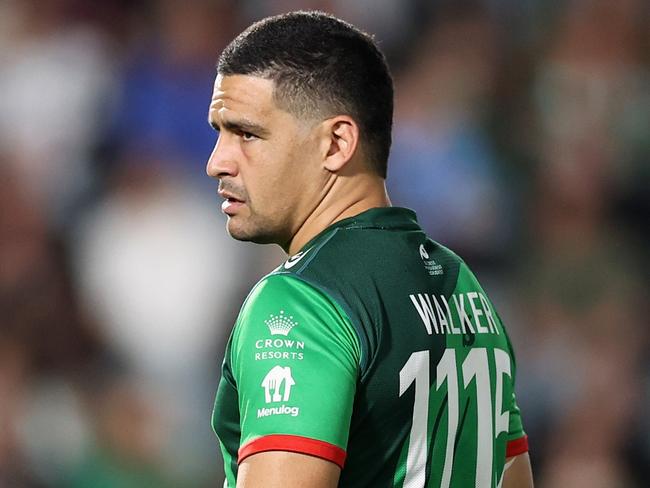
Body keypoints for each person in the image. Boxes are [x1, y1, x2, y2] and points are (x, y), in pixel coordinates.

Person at [206, 11, 533, 488]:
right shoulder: (464, 288)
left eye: (247, 134)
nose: (217, 162)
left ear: (337, 143)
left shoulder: (301, 303)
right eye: (219, 132)